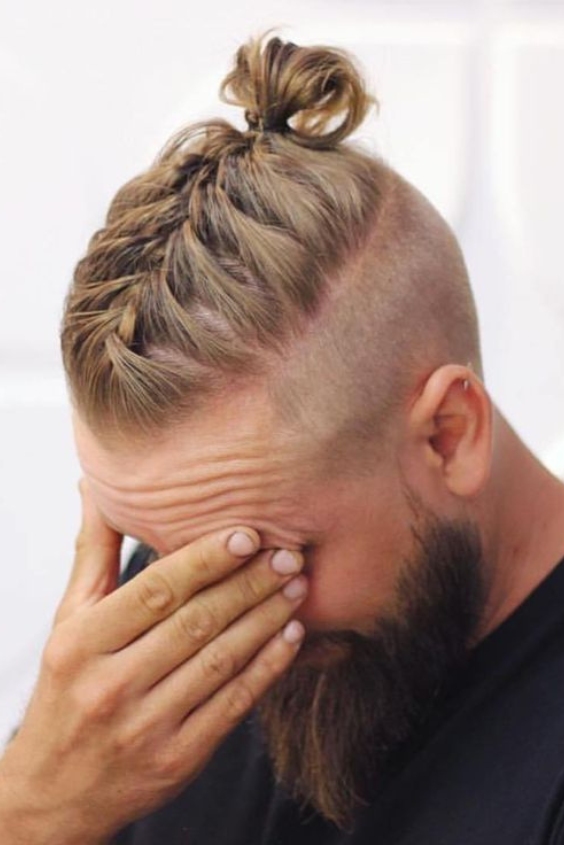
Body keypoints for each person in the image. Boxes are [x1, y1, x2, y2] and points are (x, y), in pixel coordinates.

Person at [1, 34, 564, 845]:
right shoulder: (146, 673)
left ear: (449, 435)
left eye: (270, 555)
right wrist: (37, 804)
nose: (214, 619)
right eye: (154, 550)